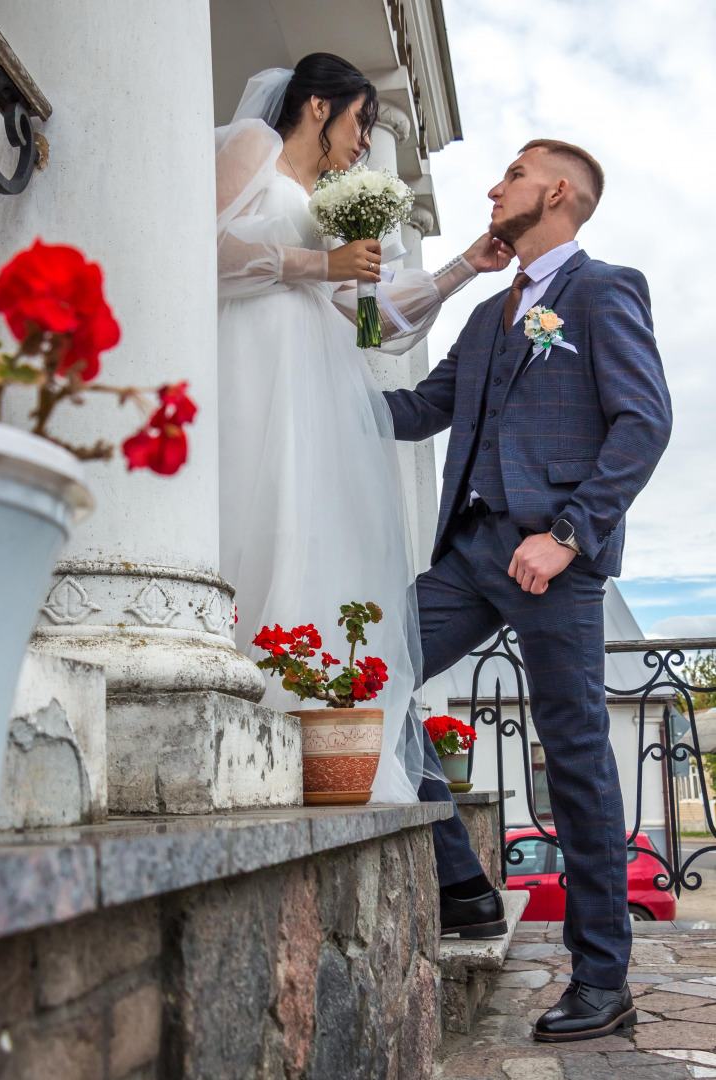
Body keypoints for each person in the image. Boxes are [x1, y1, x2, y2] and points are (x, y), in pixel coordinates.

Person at [384, 139, 672, 1042]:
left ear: (553, 192)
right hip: (467, 556)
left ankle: (601, 976)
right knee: (366, 673)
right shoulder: (481, 319)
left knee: (577, 756)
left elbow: (643, 422)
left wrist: (566, 534)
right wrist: (294, 375)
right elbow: (415, 410)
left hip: (552, 561)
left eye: (509, 174)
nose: (491, 186)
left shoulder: (602, 289)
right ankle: (464, 885)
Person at [215, 54, 512, 804]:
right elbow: (203, 248)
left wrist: (463, 270)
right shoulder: (251, 146)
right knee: (251, 509)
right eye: (360, 120)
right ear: (317, 105)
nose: (363, 139)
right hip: (250, 362)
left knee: (308, 529)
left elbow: (373, 322)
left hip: (315, 381)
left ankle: (307, 722)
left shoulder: (326, 199)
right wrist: (318, 264)